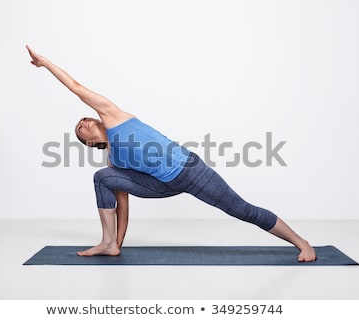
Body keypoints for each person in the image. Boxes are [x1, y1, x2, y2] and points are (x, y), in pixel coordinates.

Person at [26, 45, 317, 262]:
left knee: (243, 210)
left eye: (85, 119)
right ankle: (108, 242)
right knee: (102, 178)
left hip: (190, 171)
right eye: (80, 128)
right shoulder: (112, 160)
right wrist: (119, 243)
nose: (85, 122)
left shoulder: (112, 115)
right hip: (161, 185)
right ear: (89, 143)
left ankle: (302, 242)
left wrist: (46, 63)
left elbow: (75, 87)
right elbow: (123, 205)